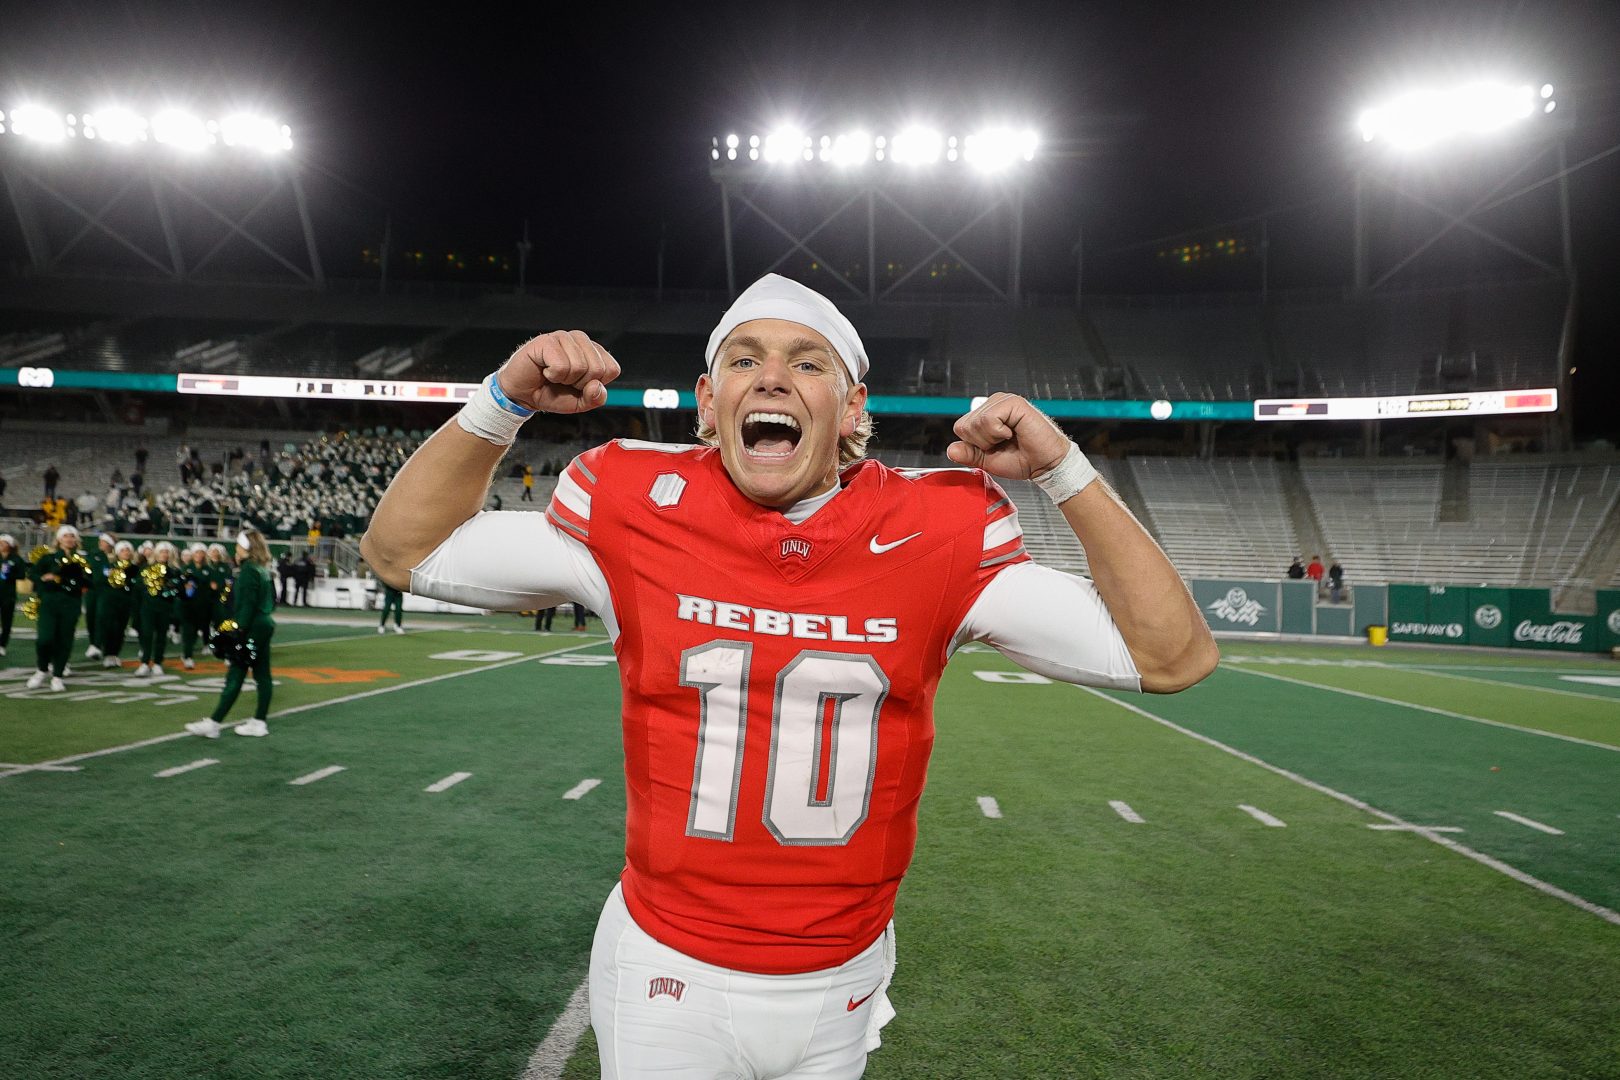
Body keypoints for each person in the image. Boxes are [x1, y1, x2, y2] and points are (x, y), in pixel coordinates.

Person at [362, 273, 1217, 1078]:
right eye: (744, 360)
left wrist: (1064, 469)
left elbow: (1171, 656)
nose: (771, 379)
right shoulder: (634, 504)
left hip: (841, 979)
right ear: (708, 401)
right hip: (669, 967)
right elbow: (404, 552)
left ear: (850, 410)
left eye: (806, 363)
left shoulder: (939, 530)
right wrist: (501, 403)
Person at [186, 528, 276, 739]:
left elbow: (247, 606)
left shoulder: (248, 571)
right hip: (264, 624)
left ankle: (214, 723)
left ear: (246, 548)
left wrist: (235, 631)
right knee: (263, 675)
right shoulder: (261, 569)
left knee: (236, 672)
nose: (235, 551)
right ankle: (259, 721)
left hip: (252, 625)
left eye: (237, 546)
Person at [26, 524, 92, 691]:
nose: (69, 539)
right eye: (65, 536)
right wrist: (44, 577)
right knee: (44, 639)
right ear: (59, 539)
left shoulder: (81, 560)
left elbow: (89, 581)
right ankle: (41, 669)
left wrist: (71, 581)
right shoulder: (48, 558)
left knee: (64, 640)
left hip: (71, 603)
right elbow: (32, 573)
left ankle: (57, 676)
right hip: (49, 602)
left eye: (72, 536)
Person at [134, 541, 180, 677]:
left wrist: (167, 590)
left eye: (167, 552)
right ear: (156, 553)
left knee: (161, 636)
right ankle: (144, 663)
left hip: (165, 608)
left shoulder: (174, 571)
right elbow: (138, 587)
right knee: (147, 635)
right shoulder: (146, 569)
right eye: (162, 552)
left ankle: (158, 663)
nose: (164, 555)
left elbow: (176, 590)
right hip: (148, 607)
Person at [97, 540, 139, 668]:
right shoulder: (111, 567)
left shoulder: (134, 568)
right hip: (111, 602)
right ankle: (108, 654)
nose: (126, 552)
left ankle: (115, 654)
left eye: (128, 550)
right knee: (111, 628)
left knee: (121, 629)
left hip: (126, 602)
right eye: (123, 550)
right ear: (117, 553)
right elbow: (103, 582)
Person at [83, 532, 116, 661]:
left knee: (101, 617)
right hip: (92, 590)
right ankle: (94, 644)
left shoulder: (114, 558)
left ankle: (97, 644)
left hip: (106, 591)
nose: (101, 543)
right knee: (90, 617)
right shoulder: (94, 554)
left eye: (104, 541)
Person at [0, 533, 25, 657]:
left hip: (8, 595)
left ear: (9, 545)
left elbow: (22, 575)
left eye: (3, 543)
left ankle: (2, 644)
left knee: (6, 621)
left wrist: (9, 574)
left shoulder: (16, 559)